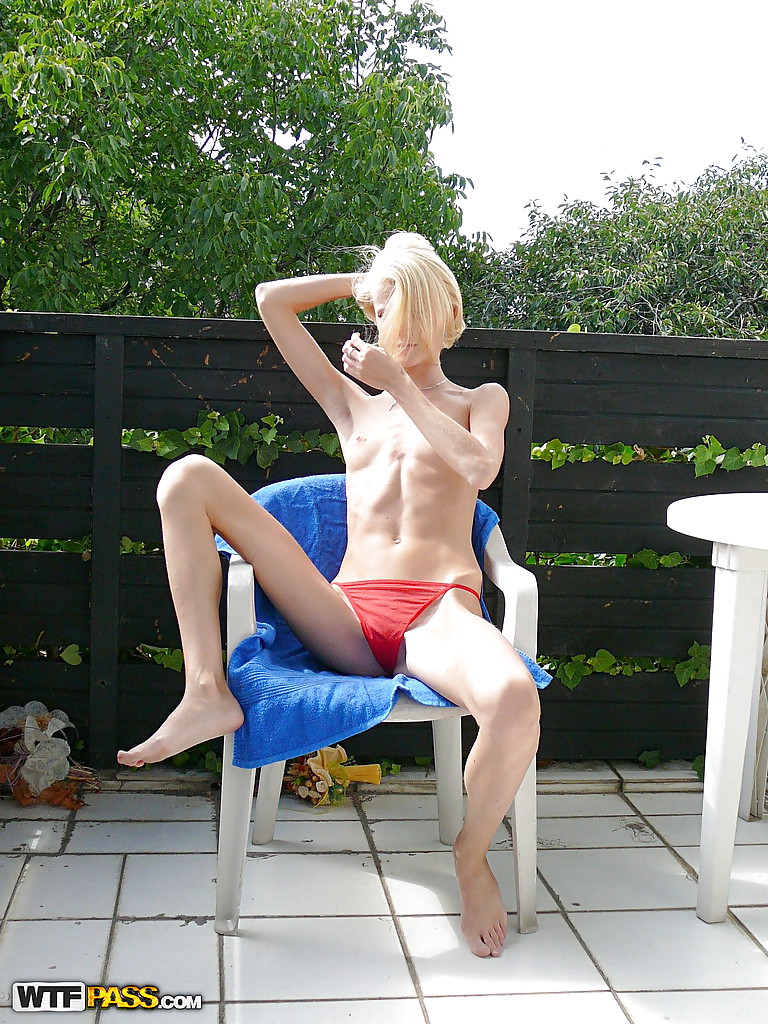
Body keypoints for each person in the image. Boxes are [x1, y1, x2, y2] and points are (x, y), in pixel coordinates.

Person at [117, 232, 541, 959]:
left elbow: (477, 468)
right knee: (185, 476)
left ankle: (471, 858)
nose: (395, 328)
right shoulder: (352, 406)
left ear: (444, 315)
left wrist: (399, 380)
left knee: (513, 699)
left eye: (410, 311)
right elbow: (270, 302)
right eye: (387, 312)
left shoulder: (482, 401)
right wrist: (369, 279)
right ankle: (205, 690)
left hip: (437, 612)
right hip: (344, 611)